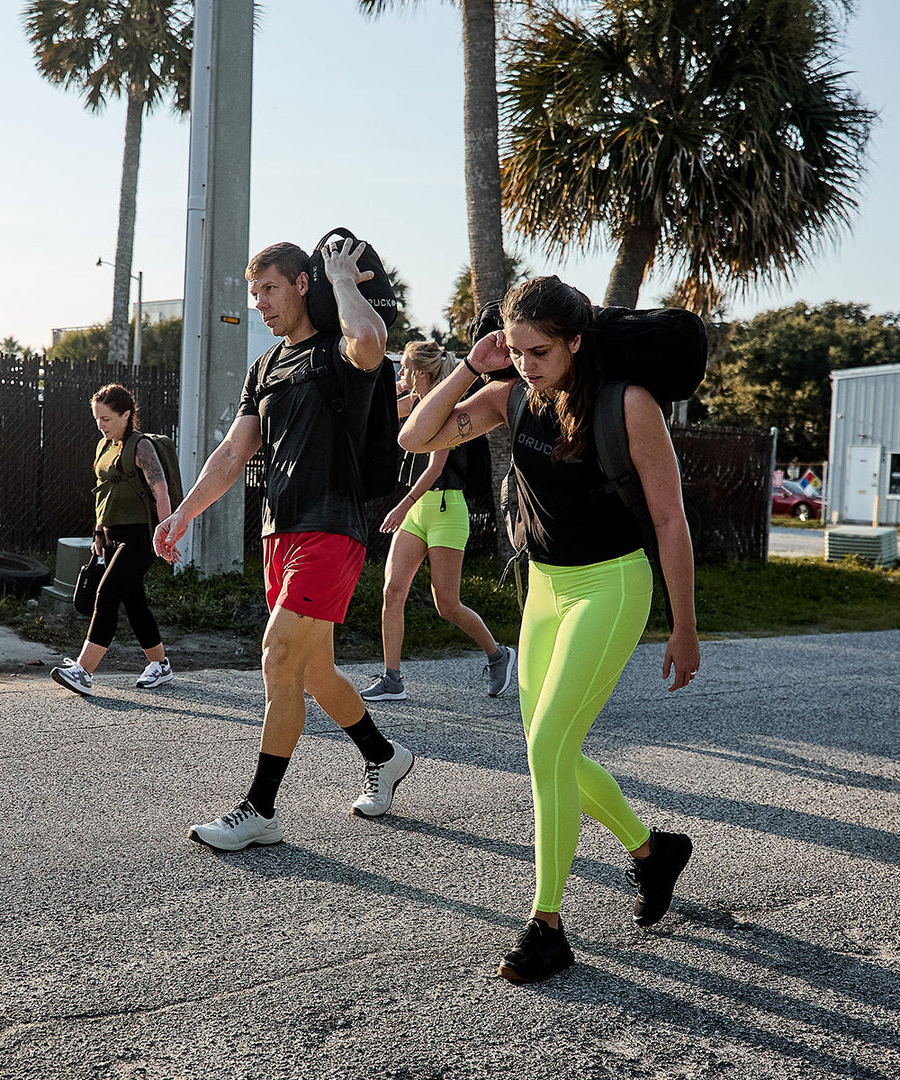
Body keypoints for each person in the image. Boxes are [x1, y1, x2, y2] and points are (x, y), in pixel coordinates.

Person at [399, 276, 700, 984]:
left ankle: (547, 923)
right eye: (516, 348)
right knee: (549, 749)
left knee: (547, 745)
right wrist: (474, 365)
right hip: (545, 589)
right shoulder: (507, 396)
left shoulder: (629, 406)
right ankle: (653, 851)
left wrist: (684, 627)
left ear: (575, 343)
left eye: (540, 350)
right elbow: (417, 436)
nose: (527, 362)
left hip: (612, 584)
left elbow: (669, 521)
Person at [153, 239, 414, 851]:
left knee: (277, 657)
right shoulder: (266, 366)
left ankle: (260, 809)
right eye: (254, 295)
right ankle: (385, 754)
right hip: (280, 530)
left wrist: (341, 280)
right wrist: (184, 515)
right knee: (314, 671)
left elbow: (372, 343)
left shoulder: (340, 351)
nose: (260, 305)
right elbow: (233, 453)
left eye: (269, 289)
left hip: (332, 526)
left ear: (301, 283)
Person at [360, 340, 515, 702]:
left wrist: (402, 505)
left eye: (406, 368)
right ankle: (392, 678)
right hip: (417, 512)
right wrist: (393, 388)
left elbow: (436, 466)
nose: (402, 373)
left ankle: (498, 654)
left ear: (423, 372)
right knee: (392, 590)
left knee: (447, 604)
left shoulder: (443, 407)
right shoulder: (414, 403)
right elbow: (373, 416)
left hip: (446, 509)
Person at [51, 384, 175, 697]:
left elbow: (161, 490)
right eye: (97, 419)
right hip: (111, 535)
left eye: (106, 419)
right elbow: (103, 492)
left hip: (141, 536)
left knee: (106, 595)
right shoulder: (103, 446)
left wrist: (166, 533)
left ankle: (83, 671)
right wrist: (97, 531)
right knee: (134, 603)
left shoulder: (141, 446)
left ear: (126, 415)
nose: (100, 425)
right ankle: (160, 665)